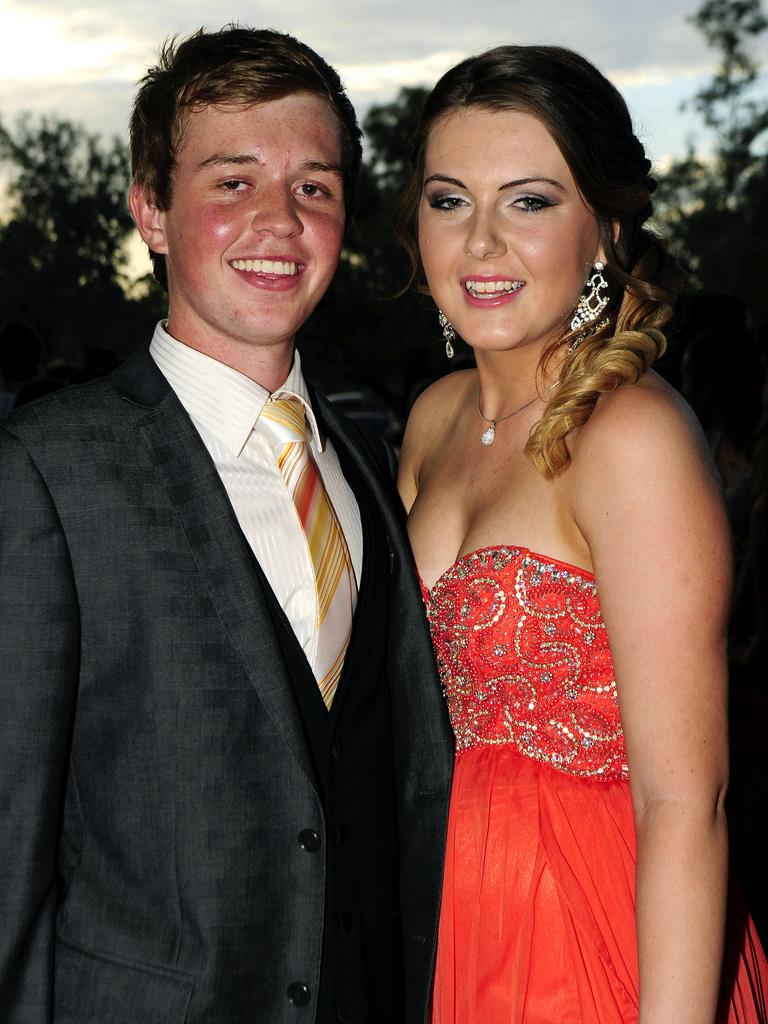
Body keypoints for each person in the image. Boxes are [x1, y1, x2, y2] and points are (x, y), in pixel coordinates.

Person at [0, 27, 453, 1023]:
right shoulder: (45, 470)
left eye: (314, 188)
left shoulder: (372, 464)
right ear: (152, 213)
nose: (279, 223)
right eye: (232, 183)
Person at [397, 45, 768, 1024]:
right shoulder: (434, 421)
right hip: (445, 930)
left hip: (594, 946)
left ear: (603, 229)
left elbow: (687, 804)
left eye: (528, 202)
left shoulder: (631, 436)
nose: (481, 243)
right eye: (448, 201)